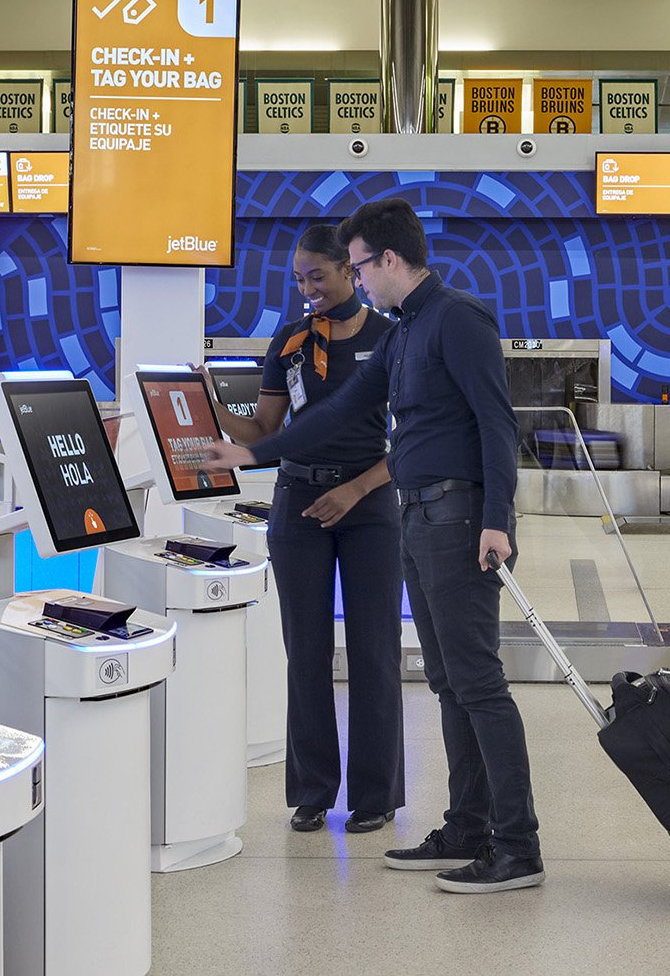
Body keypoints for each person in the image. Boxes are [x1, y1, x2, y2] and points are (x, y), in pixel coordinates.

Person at [205, 197, 544, 895]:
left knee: (478, 685)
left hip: (458, 518)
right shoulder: (404, 334)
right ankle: (468, 826)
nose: (354, 278)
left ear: (388, 260)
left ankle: (518, 846)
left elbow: (496, 424)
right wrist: (255, 452)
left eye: (358, 265)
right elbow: (342, 410)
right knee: (450, 685)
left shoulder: (459, 319)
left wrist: (497, 520)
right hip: (418, 519)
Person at [201, 225, 404, 836]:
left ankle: (376, 795)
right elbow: (265, 428)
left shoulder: (389, 338)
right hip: (299, 503)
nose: (308, 288)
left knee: (373, 650)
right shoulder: (290, 340)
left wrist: (355, 490)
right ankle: (313, 790)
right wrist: (210, 407)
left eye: (318, 276)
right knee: (305, 652)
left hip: (368, 502)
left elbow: (413, 436)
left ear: (351, 270)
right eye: (299, 279)